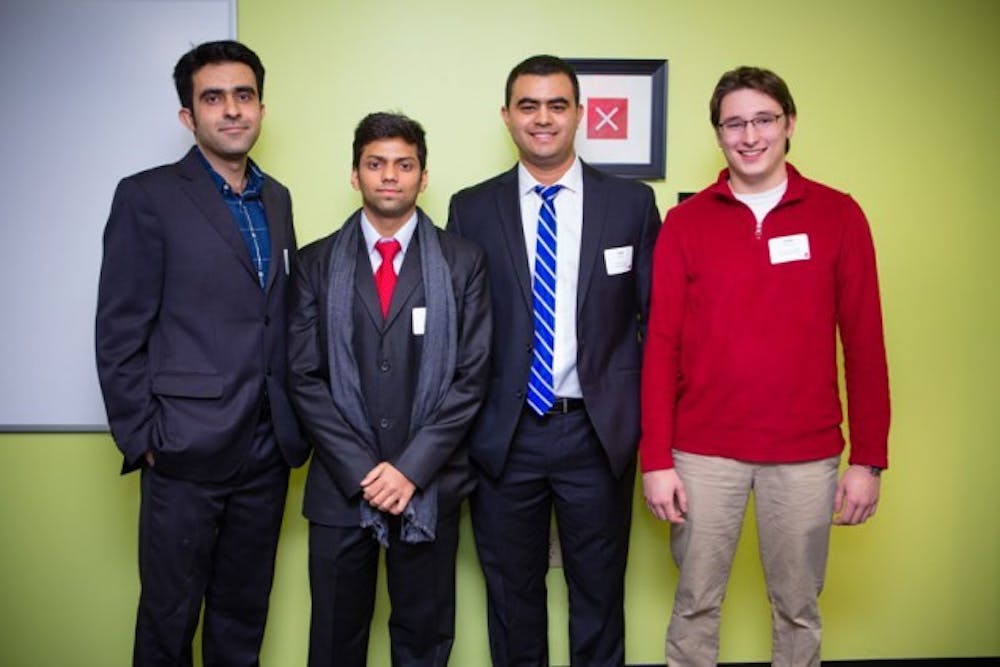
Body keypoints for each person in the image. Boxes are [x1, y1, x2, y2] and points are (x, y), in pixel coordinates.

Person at [640, 66, 890, 667]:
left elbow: (865, 345)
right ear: (719, 134)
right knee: (695, 602)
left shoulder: (838, 215)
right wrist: (655, 459)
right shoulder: (686, 223)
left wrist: (869, 461)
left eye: (763, 120)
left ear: (788, 125)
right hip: (702, 452)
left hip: (805, 455)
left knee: (798, 607)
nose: (749, 135)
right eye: (734, 123)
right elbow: (661, 346)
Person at [95, 40, 308, 666]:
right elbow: (119, 328)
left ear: (261, 108)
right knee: (168, 619)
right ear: (189, 116)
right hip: (184, 448)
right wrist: (144, 437)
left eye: (243, 96)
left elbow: (278, 311)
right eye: (213, 98)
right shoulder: (147, 197)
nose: (231, 110)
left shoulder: (278, 198)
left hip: (268, 449)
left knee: (244, 618)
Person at [447, 55, 661, 666]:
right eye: (529, 106)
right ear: (508, 116)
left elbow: (656, 321)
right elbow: (459, 328)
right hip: (502, 436)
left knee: (598, 594)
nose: (543, 119)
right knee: (512, 598)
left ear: (579, 114)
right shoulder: (470, 209)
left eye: (557, 105)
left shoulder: (630, 205)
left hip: (596, 434)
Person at [287, 112, 491, 667]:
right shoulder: (314, 263)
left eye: (404, 165)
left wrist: (409, 470)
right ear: (354, 174)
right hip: (339, 489)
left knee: (424, 642)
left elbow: (471, 377)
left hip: (427, 486)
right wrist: (362, 469)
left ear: (424, 176)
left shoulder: (463, 262)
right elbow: (303, 378)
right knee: (334, 641)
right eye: (375, 164)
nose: (390, 177)